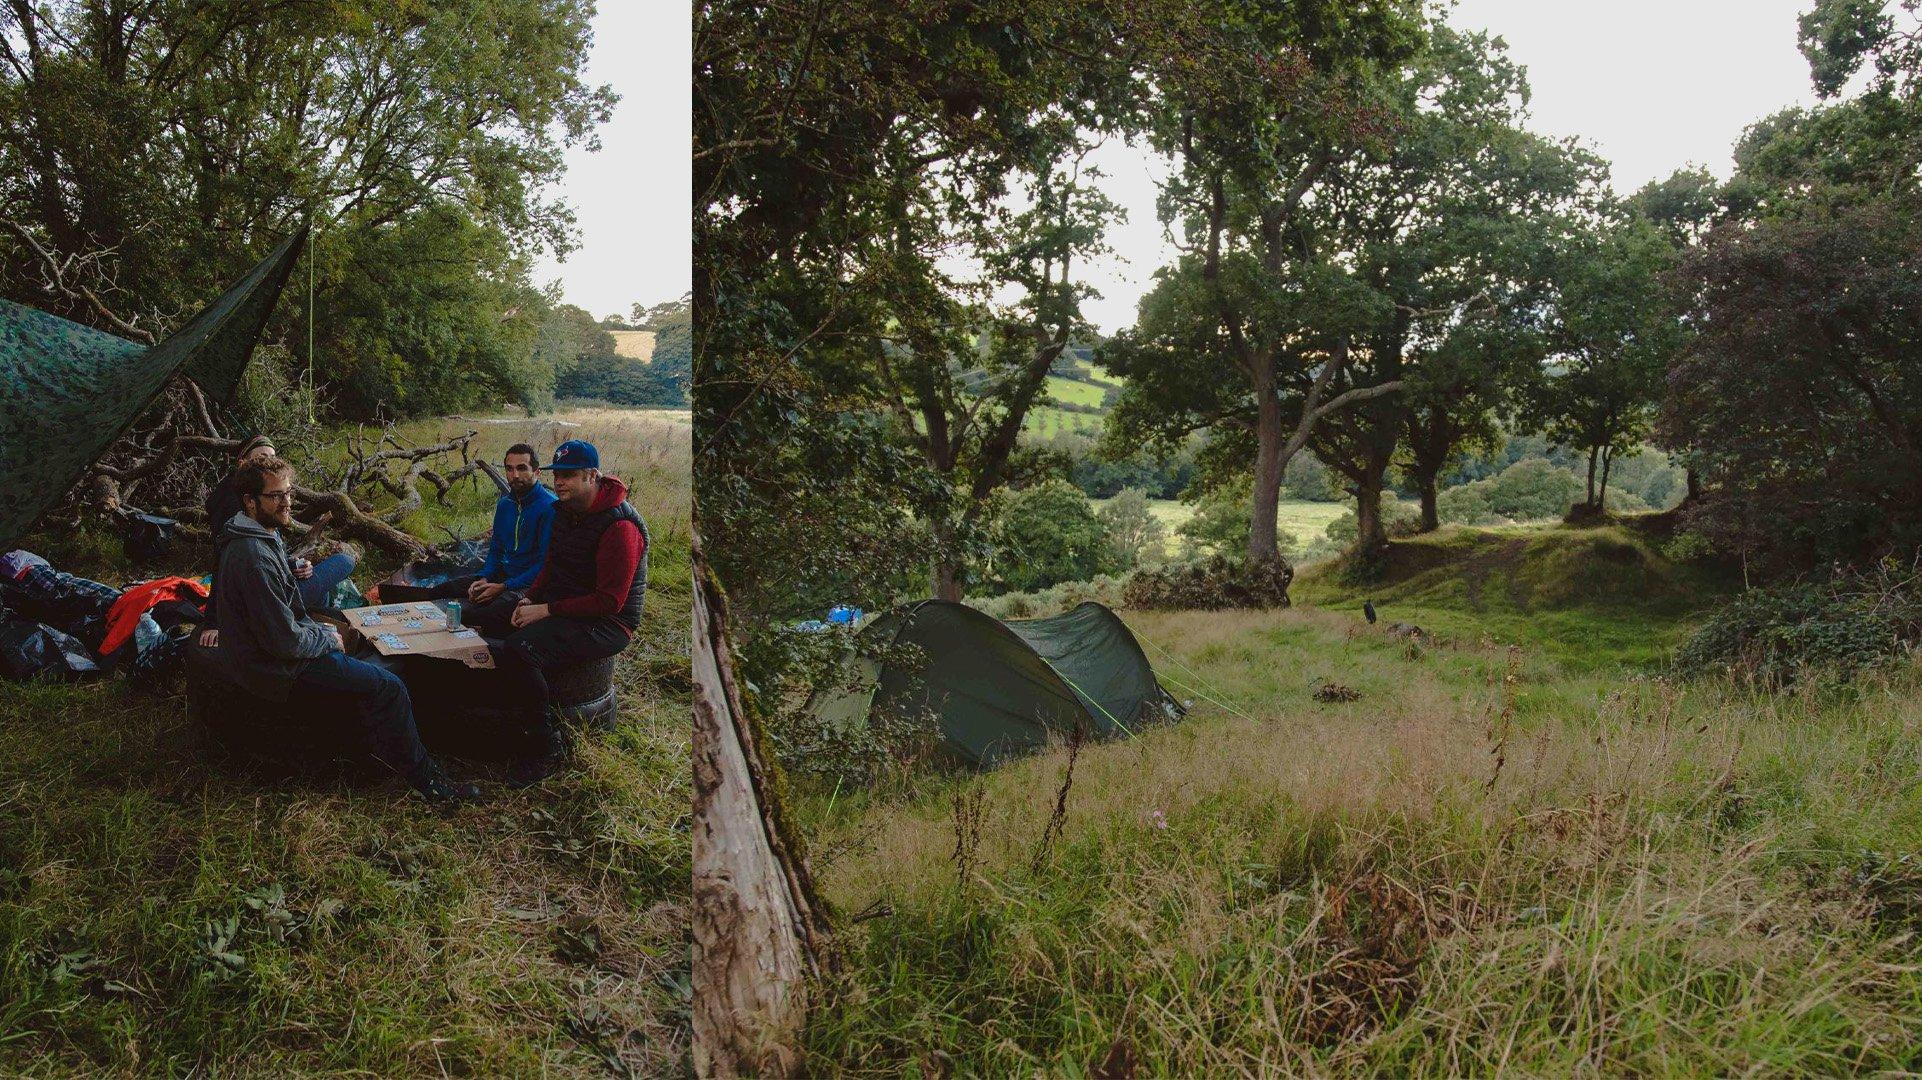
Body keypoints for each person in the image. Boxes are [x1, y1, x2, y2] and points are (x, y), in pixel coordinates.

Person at [211, 455, 477, 800]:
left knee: (356, 635)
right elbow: (284, 642)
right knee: (388, 685)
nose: (287, 502)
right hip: (274, 670)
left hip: (272, 651)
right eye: (276, 496)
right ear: (250, 501)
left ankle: (388, 745)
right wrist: (326, 638)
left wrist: (291, 569)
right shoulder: (252, 556)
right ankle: (430, 785)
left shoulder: (257, 533)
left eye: (289, 493)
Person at [493, 439, 648, 786]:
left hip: (608, 624)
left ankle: (543, 748)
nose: (560, 482)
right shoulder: (565, 511)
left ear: (593, 476)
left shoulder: (619, 527)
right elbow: (552, 564)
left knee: (520, 650)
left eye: (569, 475)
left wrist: (546, 610)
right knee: (495, 614)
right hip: (570, 604)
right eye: (557, 474)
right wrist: (530, 598)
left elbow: (610, 602)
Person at [203, 434, 357, 614]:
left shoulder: (256, 516)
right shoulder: (237, 511)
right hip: (277, 600)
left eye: (288, 494)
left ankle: (315, 616)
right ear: (242, 462)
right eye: (262, 458)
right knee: (345, 560)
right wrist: (213, 618)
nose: (287, 502)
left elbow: (269, 553)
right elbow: (224, 559)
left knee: (323, 598)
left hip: (280, 588)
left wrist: (293, 565)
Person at [421, 443, 556, 636]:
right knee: (441, 591)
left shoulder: (549, 507)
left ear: (537, 472)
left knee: (475, 614)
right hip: (502, 575)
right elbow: (496, 549)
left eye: (521, 468)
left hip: (529, 585)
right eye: (509, 469)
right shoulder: (505, 505)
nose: (514, 475)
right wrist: (485, 577)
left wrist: (502, 587)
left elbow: (545, 565)